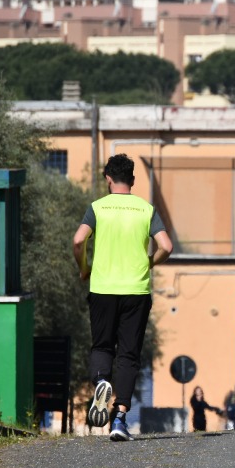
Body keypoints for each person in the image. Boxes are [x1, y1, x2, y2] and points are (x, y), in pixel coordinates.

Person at [73, 153, 173, 441]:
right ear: (133, 180)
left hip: (102, 289)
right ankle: (119, 420)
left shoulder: (97, 208)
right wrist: (150, 262)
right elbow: (166, 246)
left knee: (102, 345)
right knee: (129, 354)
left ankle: (101, 381)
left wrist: (84, 268)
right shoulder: (146, 209)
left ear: (108, 179)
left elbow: (78, 240)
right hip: (136, 291)